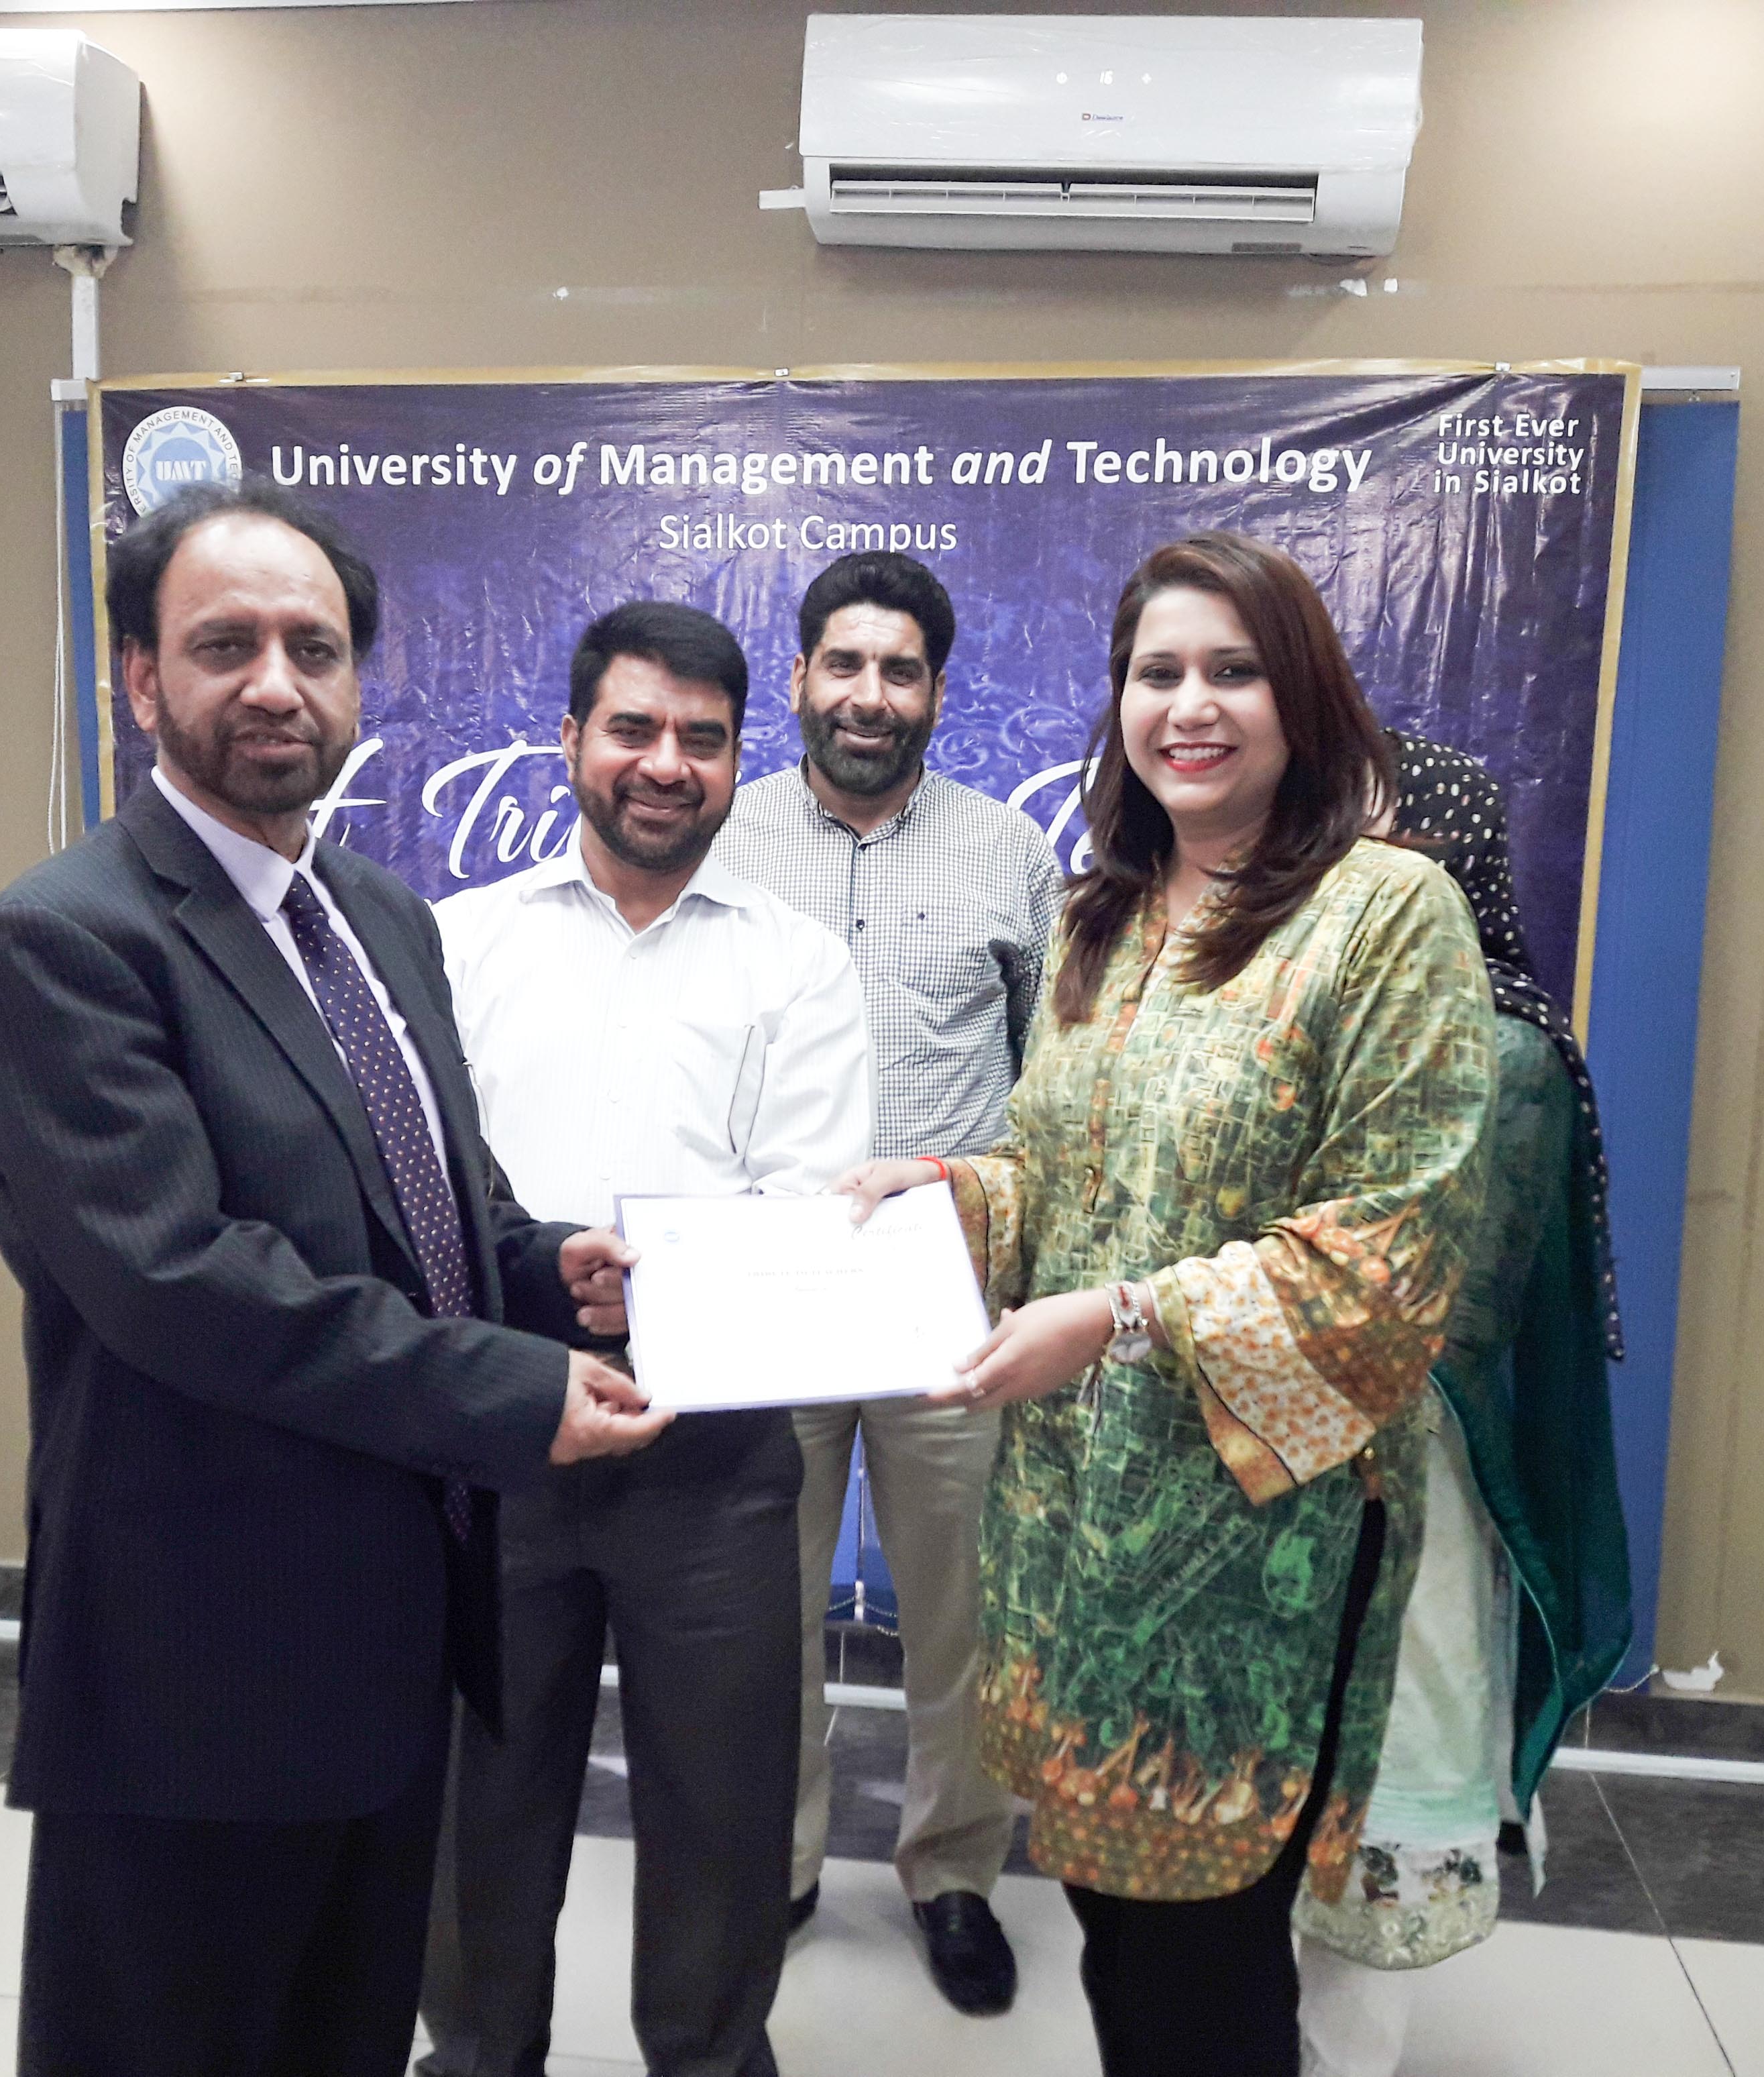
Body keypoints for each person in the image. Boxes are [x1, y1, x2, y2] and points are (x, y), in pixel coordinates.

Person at [0, 480, 671, 2077]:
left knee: (345, 2030)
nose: (276, 683)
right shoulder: (67, 941)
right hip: (195, 1653)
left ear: (358, 680)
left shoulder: (380, 919)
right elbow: (180, 1278)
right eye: (226, 646)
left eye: (315, 647)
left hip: (394, 1636)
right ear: (143, 679)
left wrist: (548, 1273)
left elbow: (432, 1203)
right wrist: (512, 1389)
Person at [836, 532, 1498, 2077]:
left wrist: (1121, 1318)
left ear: (1302, 697)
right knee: (1120, 1945)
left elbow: (1389, 1251)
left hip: (1254, 1561)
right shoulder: (1105, 914)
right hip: (1077, 1536)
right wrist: (952, 1191)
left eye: (1233, 671)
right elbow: (1070, 1184)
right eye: (1157, 674)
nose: (1189, 706)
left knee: (1208, 1970)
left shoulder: (1386, 913)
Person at [419, 600, 873, 2077]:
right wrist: (545, 1282)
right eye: (633, 728)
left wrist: (664, 1281)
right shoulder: (457, 944)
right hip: (502, 1430)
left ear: (741, 758)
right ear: (571, 741)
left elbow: (813, 1202)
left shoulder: (797, 964)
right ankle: (478, 2056)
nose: (665, 763)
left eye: (702, 738)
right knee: (481, 1800)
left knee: (722, 1812)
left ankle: (711, 2057)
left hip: (714, 1448)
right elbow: (426, 1183)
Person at [714, 551, 1061, 2014]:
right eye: (844, 665)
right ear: (799, 677)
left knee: (961, 1610)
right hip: (768, 1290)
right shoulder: (719, 836)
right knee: (763, 1605)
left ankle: (954, 1872)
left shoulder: (1010, 856)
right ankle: (778, 1861)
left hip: (946, 1294)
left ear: (938, 690)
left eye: (899, 670)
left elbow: (1053, 1087)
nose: (870, 695)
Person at [1292, 732, 1635, 2077]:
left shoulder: (1507, 1053)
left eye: (1389, 849)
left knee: (1383, 1765)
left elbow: (1453, 1314)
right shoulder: (1294, 1006)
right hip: (1264, 1472)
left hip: (1415, 1486)